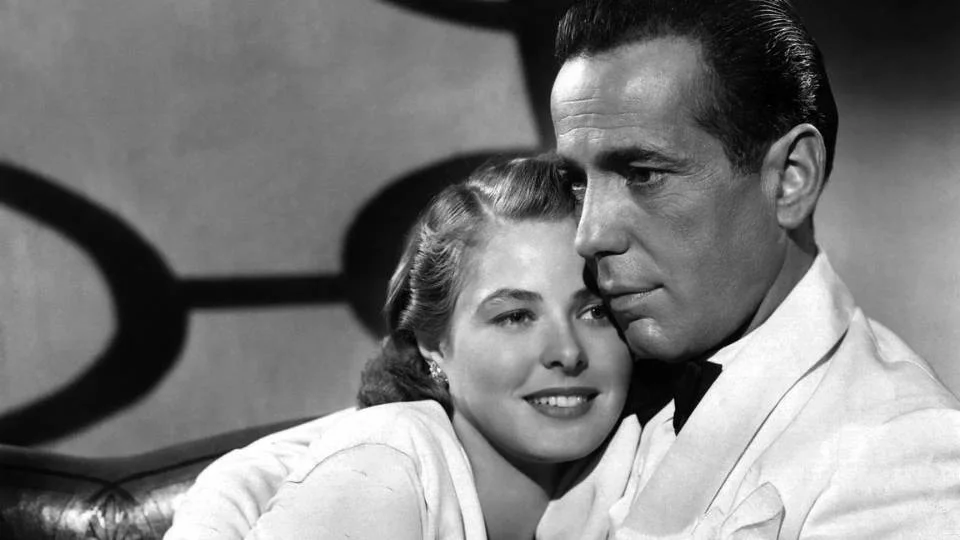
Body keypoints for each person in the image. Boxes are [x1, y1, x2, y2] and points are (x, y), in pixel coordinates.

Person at [550, 0, 960, 538]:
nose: (588, 236)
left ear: (791, 178)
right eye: (577, 182)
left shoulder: (900, 451)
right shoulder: (601, 387)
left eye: (644, 174)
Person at [215, 155, 649, 539]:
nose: (568, 353)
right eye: (515, 317)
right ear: (433, 342)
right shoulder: (379, 465)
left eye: (595, 311)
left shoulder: (645, 451)